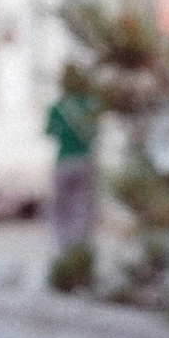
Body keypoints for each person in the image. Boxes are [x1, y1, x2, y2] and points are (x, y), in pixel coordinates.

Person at [45, 78, 100, 255]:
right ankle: (81, 247)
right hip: (85, 160)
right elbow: (96, 132)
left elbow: (49, 132)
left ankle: (64, 248)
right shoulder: (91, 106)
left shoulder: (58, 107)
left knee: (62, 207)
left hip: (65, 160)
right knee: (83, 205)